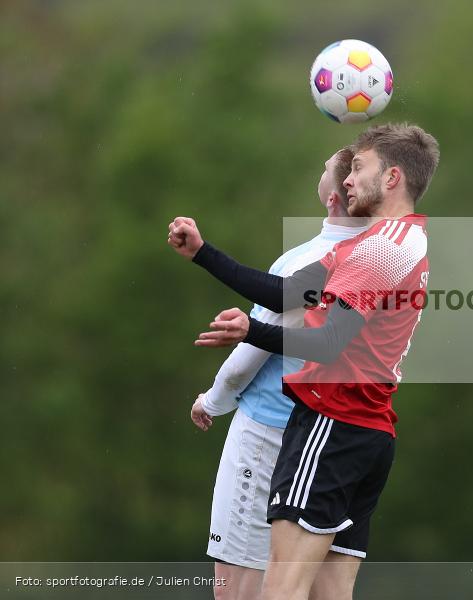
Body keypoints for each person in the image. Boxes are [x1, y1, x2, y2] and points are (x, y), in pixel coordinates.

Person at [168, 123, 440, 600]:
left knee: (282, 588)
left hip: (332, 425)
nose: (347, 179)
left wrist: (252, 331)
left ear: (393, 178)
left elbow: (330, 342)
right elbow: (286, 292)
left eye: (359, 168)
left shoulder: (379, 249)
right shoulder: (390, 241)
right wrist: (203, 254)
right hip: (369, 431)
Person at [190, 147, 367, 600]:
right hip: (337, 441)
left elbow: (255, 347)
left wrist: (213, 399)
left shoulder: (308, 262)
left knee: (239, 588)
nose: (324, 170)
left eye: (326, 167)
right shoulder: (380, 258)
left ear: (333, 197)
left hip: (269, 434)